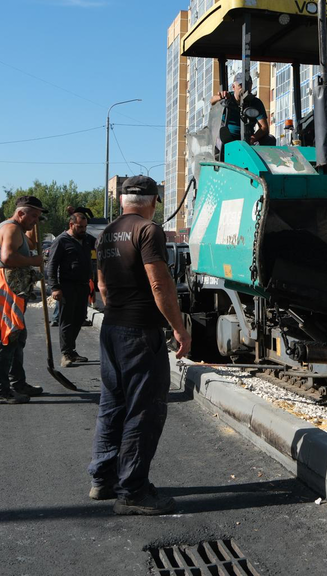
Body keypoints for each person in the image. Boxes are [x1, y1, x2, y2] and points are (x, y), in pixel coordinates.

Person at [87, 175, 191, 515]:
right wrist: (178, 327)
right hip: (139, 331)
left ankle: (103, 478)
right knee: (144, 409)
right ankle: (132, 491)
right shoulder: (148, 231)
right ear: (154, 201)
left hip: (112, 328)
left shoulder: (105, 234)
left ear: (120, 201)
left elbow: (102, 285)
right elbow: (159, 285)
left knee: (112, 404)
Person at [0, 196, 48, 405]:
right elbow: (8, 258)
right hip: (5, 291)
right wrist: (34, 261)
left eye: (38, 217)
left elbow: (30, 243)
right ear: (21, 213)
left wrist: (35, 225)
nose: (35, 220)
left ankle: (18, 383)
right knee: (6, 339)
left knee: (17, 337)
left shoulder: (17, 230)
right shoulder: (12, 229)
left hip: (10, 290)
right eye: (33, 216)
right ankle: (0, 391)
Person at [46, 209, 97, 367]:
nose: (83, 230)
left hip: (83, 286)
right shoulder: (61, 241)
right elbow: (52, 266)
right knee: (67, 320)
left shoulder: (88, 239)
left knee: (80, 317)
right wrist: (54, 287)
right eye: (80, 227)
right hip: (67, 286)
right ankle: (66, 354)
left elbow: (99, 250)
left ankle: (71, 350)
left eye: (85, 227)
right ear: (71, 224)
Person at [210, 72, 271, 150]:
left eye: (248, 85)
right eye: (241, 85)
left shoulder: (256, 103)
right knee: (220, 139)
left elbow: (264, 127)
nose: (245, 89)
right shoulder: (227, 98)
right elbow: (212, 101)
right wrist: (220, 96)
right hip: (228, 137)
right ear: (233, 87)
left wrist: (253, 138)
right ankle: (221, 157)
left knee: (270, 139)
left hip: (248, 138)